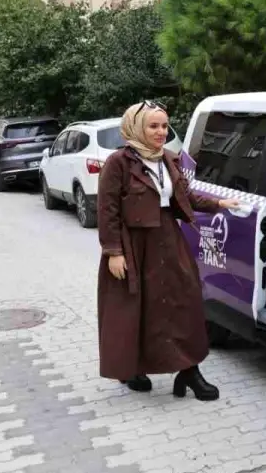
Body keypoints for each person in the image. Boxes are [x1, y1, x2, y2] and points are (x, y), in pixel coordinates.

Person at [96, 101, 241, 399]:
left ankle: (189, 371)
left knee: (182, 303)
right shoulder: (118, 163)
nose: (161, 132)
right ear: (136, 128)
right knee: (135, 308)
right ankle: (131, 367)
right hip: (132, 244)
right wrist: (113, 252)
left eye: (164, 126)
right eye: (153, 126)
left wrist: (218, 204)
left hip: (168, 238)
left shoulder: (169, 160)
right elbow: (107, 210)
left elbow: (186, 197)